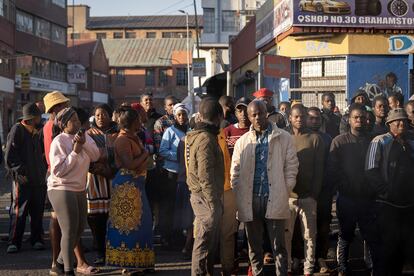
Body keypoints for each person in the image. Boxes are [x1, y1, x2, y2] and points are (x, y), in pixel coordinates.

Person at [231, 100, 298, 275]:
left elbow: (292, 166)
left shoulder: (284, 137)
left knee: (279, 246)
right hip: (250, 199)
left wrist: (285, 188)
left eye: (260, 113)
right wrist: (238, 191)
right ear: (248, 117)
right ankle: (257, 272)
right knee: (254, 246)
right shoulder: (242, 142)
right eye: (253, 115)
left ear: (266, 113)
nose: (258, 117)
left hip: (275, 197)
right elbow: (235, 172)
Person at [329, 104, 381, 276]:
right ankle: (342, 267)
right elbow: (333, 168)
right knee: (345, 235)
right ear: (349, 120)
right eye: (356, 117)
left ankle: (371, 265)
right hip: (346, 198)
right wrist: (342, 186)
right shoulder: (339, 141)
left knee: (370, 235)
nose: (359, 120)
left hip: (368, 198)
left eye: (362, 117)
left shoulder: (373, 141)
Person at [48, 107, 100, 275]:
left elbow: (96, 156)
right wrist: (75, 151)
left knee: (79, 228)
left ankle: (61, 262)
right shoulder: (59, 141)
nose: (78, 123)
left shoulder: (85, 137)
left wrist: (83, 144)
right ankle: (69, 270)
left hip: (78, 187)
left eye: (78, 119)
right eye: (73, 120)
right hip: (61, 187)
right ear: (64, 124)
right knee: (70, 229)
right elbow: (58, 171)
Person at [106, 107, 155, 273]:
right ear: (134, 122)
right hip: (126, 187)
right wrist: (146, 154)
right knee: (128, 226)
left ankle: (140, 263)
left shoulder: (132, 136)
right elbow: (130, 164)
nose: (141, 122)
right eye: (139, 119)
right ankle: (127, 266)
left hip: (136, 186)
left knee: (142, 224)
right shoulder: (122, 140)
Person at [365, 108, 414, 275]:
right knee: (388, 248)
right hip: (387, 205)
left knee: (404, 246)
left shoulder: (411, 143)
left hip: (408, 205)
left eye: (404, 121)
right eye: (397, 121)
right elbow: (371, 170)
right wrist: (384, 192)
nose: (401, 124)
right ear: (389, 124)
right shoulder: (379, 141)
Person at [185, 98, 224, 275]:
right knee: (203, 239)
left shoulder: (196, 135)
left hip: (200, 194)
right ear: (218, 117)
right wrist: (212, 201)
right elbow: (205, 174)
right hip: (205, 196)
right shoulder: (206, 139)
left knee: (206, 239)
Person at [286, 104, 324, 275]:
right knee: (286, 236)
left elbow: (319, 170)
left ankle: (308, 268)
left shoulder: (315, 139)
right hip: (288, 198)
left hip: (309, 197)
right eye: (296, 116)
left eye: (302, 116)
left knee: (309, 236)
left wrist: (314, 194)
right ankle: (286, 265)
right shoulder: (284, 138)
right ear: (290, 118)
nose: (299, 119)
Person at [5, 103, 47, 254]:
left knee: (37, 211)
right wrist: (19, 172)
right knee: (19, 212)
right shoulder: (18, 129)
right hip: (23, 179)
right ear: (32, 118)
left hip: (39, 179)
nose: (39, 119)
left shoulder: (38, 130)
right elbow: (10, 156)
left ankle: (37, 239)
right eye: (37, 117)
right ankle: (14, 242)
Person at [86, 104, 118, 265]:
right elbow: (86, 158)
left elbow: (121, 154)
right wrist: (99, 169)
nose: (100, 117)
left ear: (110, 115)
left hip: (115, 181)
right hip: (95, 183)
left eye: (104, 114)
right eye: (97, 115)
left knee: (114, 219)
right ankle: (100, 252)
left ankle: (115, 252)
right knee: (97, 220)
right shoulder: (88, 134)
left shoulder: (118, 133)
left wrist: (112, 169)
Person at [306, 107, 333, 274]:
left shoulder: (327, 138)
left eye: (317, 119)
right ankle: (300, 258)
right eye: (311, 118)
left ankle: (321, 258)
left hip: (323, 191)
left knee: (323, 226)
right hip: (303, 191)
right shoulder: (297, 137)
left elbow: (331, 165)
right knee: (303, 228)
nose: (314, 121)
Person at [158, 103, 189, 248]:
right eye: (179, 115)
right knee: (169, 206)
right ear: (175, 116)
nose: (182, 117)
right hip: (171, 173)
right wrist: (179, 155)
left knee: (182, 206)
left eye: (184, 114)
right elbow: (162, 151)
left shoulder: (191, 131)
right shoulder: (170, 131)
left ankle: (179, 235)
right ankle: (167, 236)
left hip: (185, 174)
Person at [151, 95, 178, 235]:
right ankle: (165, 233)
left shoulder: (182, 120)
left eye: (175, 104)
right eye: (170, 105)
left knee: (177, 203)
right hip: (165, 169)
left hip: (181, 170)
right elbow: (159, 149)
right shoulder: (160, 123)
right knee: (165, 203)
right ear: (165, 107)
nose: (173, 107)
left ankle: (176, 232)